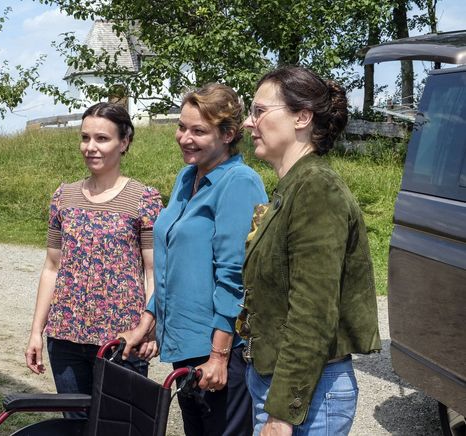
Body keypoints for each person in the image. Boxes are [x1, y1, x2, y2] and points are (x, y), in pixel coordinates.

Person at [238, 66, 381, 435]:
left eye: (258, 111)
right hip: (281, 385)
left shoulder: (316, 188)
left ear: (302, 117)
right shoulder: (293, 186)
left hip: (308, 398)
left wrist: (282, 414)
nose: (247, 123)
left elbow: (312, 311)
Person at [122, 83, 267, 435]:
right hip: (186, 346)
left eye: (198, 130)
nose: (185, 137)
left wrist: (218, 356)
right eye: (182, 127)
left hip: (220, 351)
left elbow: (236, 276)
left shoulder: (239, 182)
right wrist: (146, 323)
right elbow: (173, 266)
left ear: (229, 134)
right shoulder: (188, 176)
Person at [24, 102, 163, 416]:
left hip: (123, 341)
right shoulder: (64, 196)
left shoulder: (145, 198)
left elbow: (155, 271)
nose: (90, 147)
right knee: (75, 427)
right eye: (85, 138)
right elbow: (52, 267)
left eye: (102, 139)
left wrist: (152, 327)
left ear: (124, 142)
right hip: (64, 340)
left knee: (120, 426)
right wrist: (36, 331)